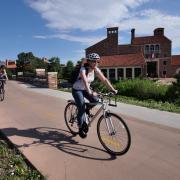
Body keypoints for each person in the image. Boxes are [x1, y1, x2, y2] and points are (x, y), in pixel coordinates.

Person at [72, 53, 118, 138]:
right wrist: (89, 91)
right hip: (77, 90)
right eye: (94, 61)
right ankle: (80, 127)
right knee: (81, 108)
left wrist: (112, 89)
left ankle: (86, 110)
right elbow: (85, 81)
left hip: (86, 89)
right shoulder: (83, 69)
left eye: (97, 61)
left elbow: (104, 79)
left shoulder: (96, 69)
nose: (96, 63)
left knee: (96, 100)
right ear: (89, 61)